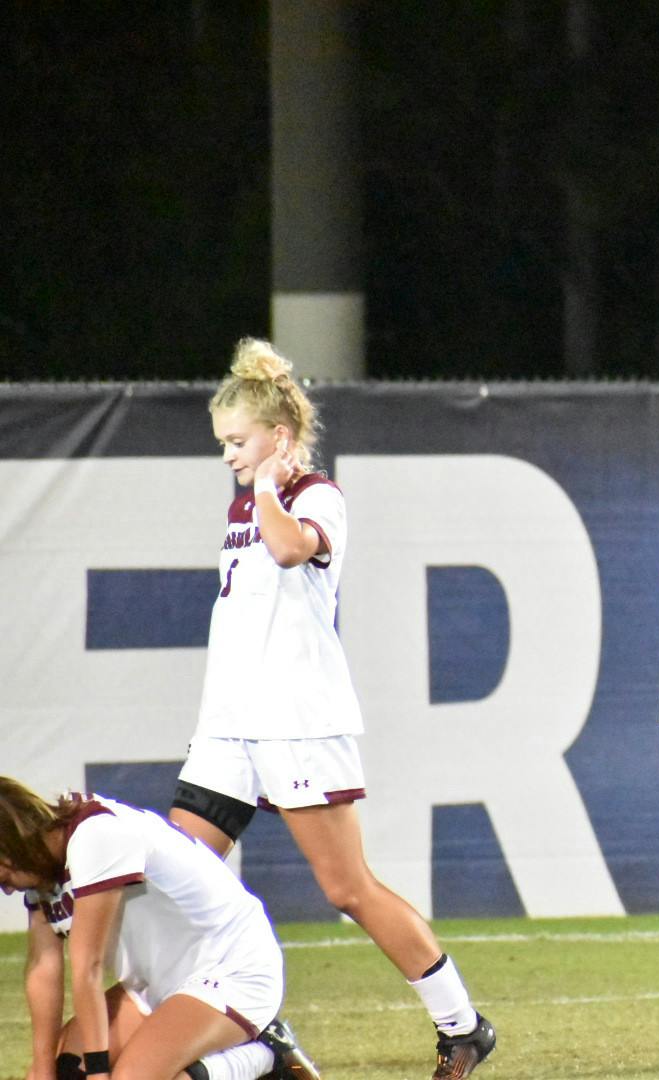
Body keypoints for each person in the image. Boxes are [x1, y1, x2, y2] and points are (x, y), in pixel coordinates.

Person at [165, 339, 496, 1079]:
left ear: (277, 439)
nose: (228, 457)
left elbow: (289, 552)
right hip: (229, 723)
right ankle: (253, 1036)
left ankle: (462, 1026)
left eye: (238, 442)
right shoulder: (248, 503)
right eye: (223, 444)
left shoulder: (314, 497)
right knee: (176, 882)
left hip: (296, 721)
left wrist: (272, 490)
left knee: (346, 887)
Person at [0, 776, 319, 1080]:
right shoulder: (42, 865)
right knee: (66, 1072)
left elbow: (89, 969)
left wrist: (99, 1070)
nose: (5, 889)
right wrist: (42, 1068)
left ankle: (266, 1055)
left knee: (131, 1078)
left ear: (10, 843)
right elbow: (43, 969)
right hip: (158, 983)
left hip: (232, 968)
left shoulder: (95, 838)